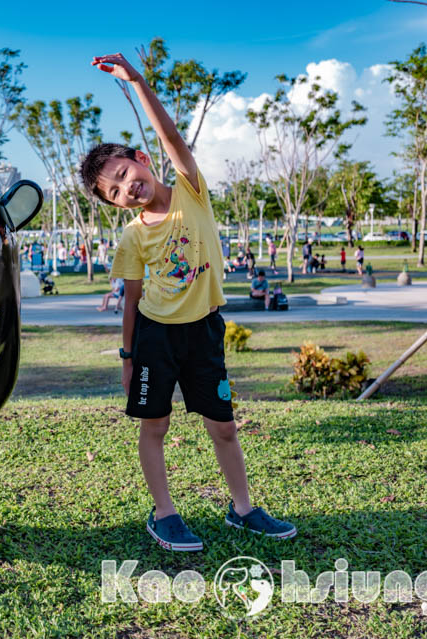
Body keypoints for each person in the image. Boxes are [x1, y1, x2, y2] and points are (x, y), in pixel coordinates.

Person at [80, 53, 296, 552]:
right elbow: (131, 299)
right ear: (115, 205)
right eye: (114, 192)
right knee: (154, 425)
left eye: (124, 172)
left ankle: (243, 510)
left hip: (204, 330)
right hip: (156, 336)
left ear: (142, 159)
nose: (126, 188)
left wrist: (136, 82)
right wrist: (128, 357)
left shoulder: (191, 193)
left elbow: (174, 139)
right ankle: (165, 514)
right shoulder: (131, 237)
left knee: (223, 425)